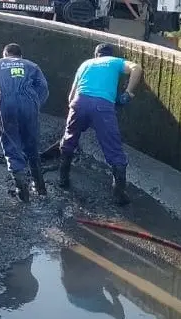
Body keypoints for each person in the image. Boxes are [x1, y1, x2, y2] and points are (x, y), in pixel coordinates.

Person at [59, 43, 142, 206]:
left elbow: (71, 97)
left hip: (79, 102)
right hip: (102, 106)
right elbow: (137, 68)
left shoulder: (85, 64)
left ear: (96, 55)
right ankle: (119, 193)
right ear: (110, 54)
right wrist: (128, 93)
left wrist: (77, 117)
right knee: (113, 147)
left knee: (69, 140)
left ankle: (63, 179)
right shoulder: (115, 61)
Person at [0, 43, 49, 203]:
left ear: (4, 54)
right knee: (32, 145)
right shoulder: (32, 65)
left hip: (6, 104)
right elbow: (44, 88)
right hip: (28, 103)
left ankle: (23, 194)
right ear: (21, 56)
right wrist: (35, 105)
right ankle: (40, 189)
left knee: (12, 146)